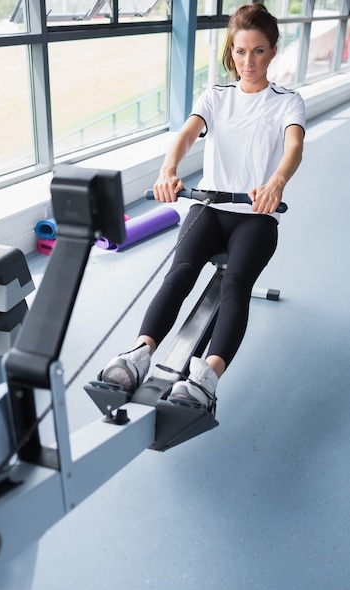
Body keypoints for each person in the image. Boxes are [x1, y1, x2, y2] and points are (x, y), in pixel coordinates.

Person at [99, 3, 305, 412]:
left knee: (235, 286)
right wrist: (168, 169)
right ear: (232, 50)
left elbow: (293, 146)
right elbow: (186, 134)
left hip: (257, 216)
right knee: (180, 273)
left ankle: (206, 377)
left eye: (259, 51)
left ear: (273, 50)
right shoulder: (216, 95)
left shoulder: (287, 101)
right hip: (209, 207)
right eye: (241, 51)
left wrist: (277, 182)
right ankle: (138, 355)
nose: (249, 61)